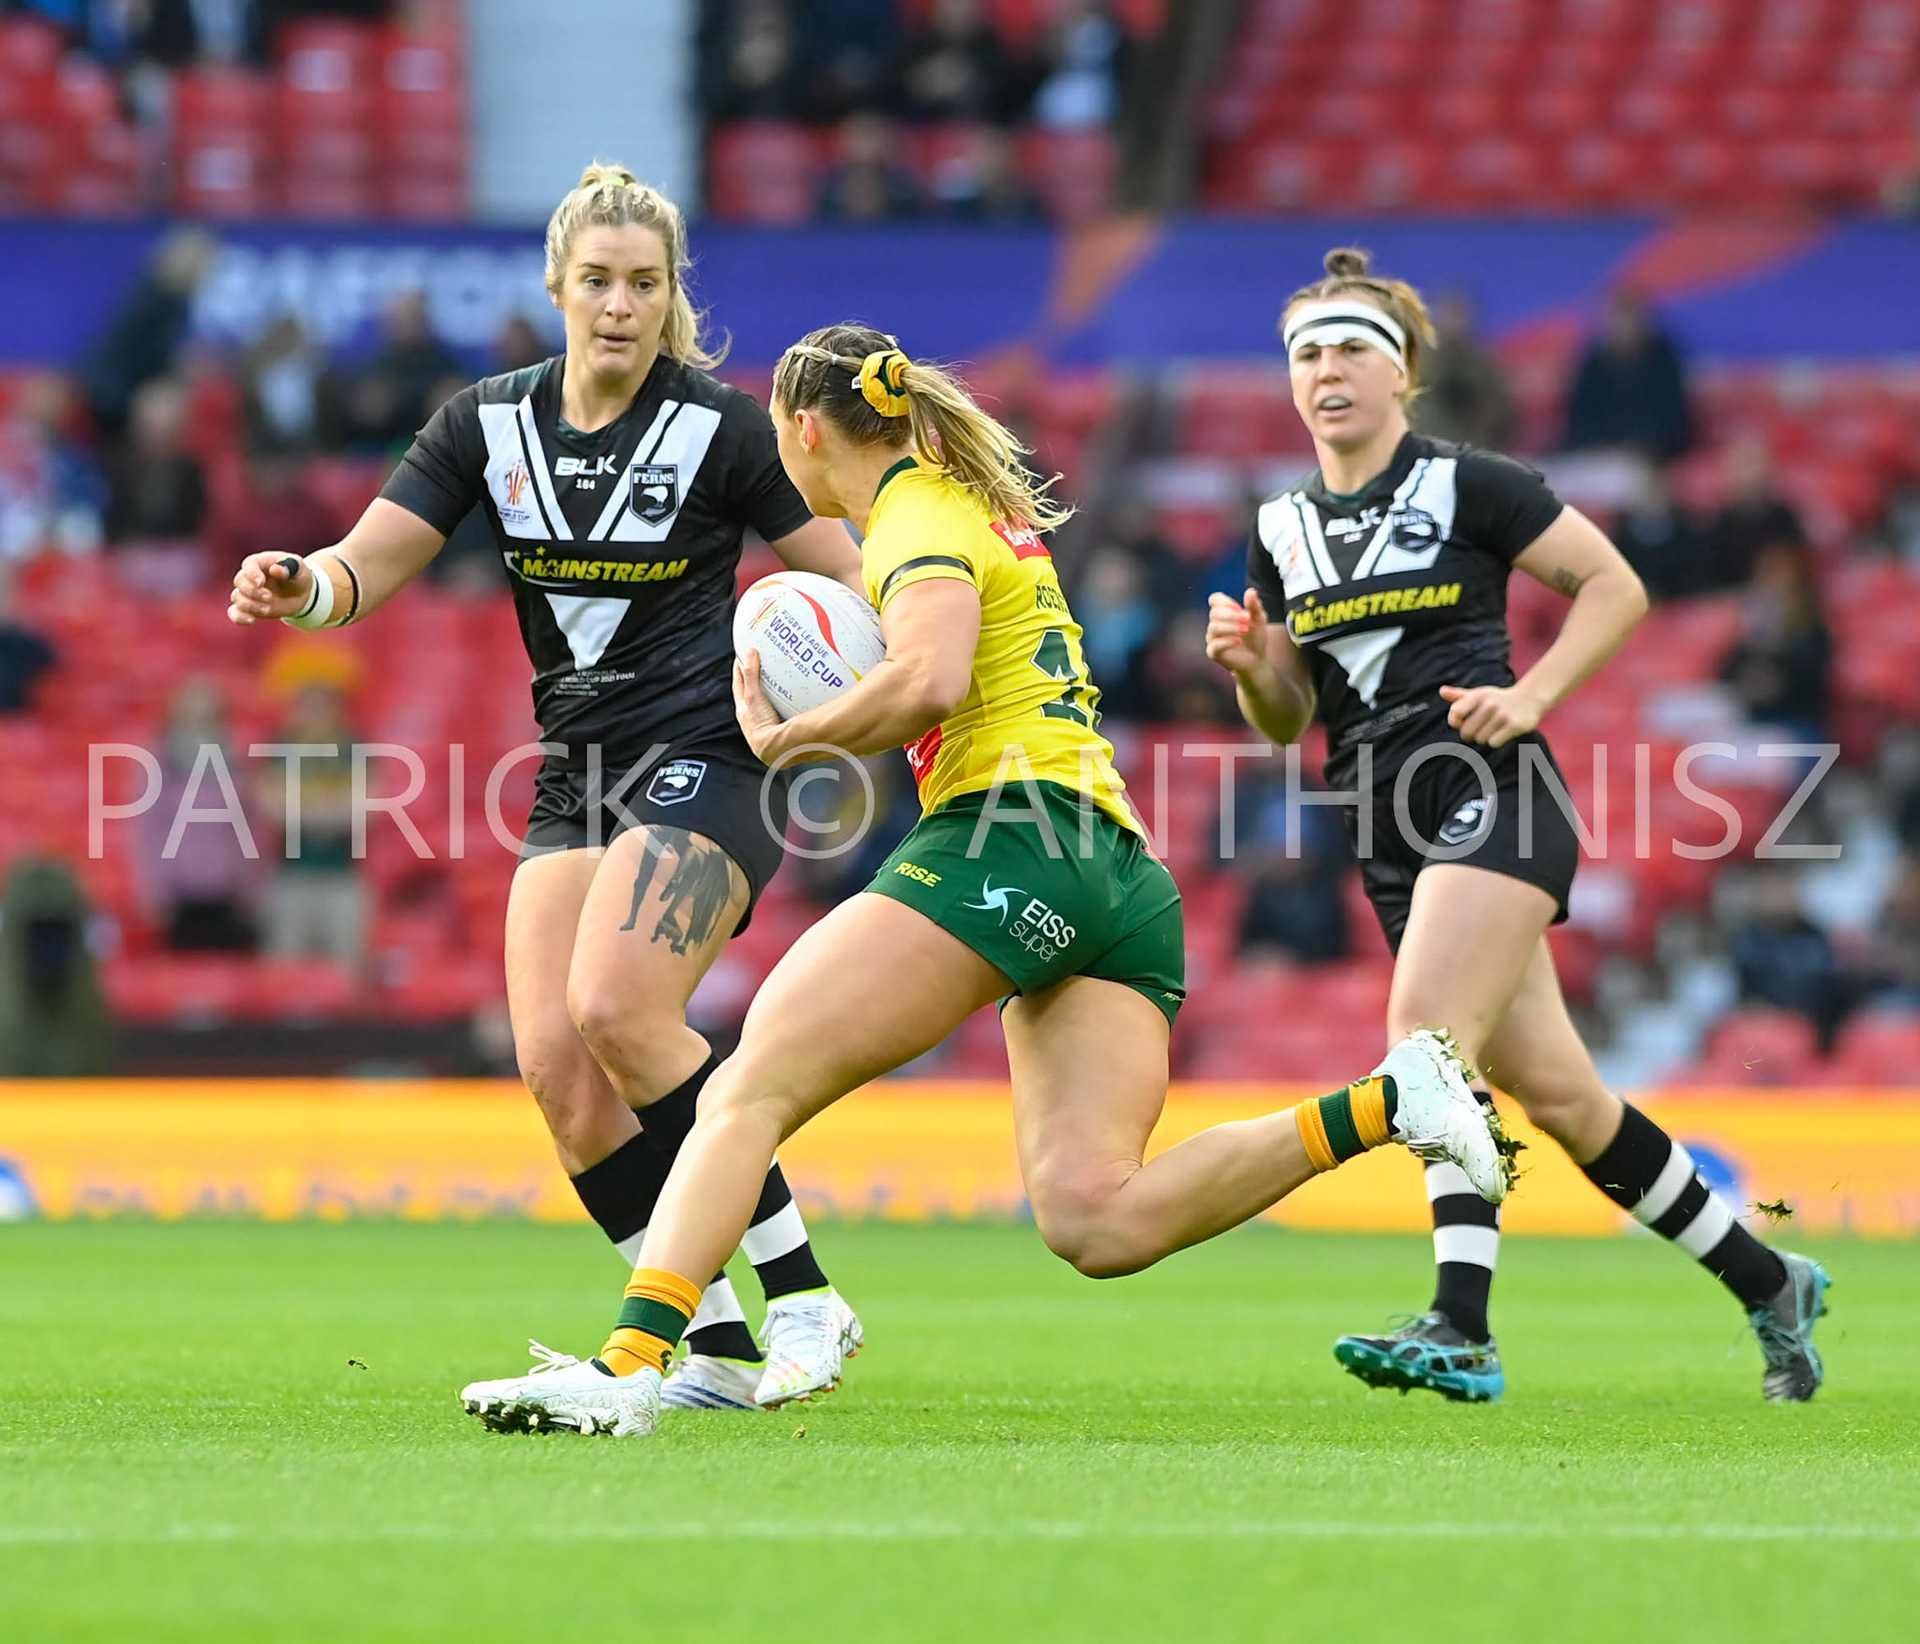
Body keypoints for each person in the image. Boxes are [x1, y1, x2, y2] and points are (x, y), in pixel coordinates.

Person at [452, 324, 1509, 1439]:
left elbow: (929, 678)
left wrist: (791, 737)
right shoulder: (956, 508)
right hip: (1115, 871)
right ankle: (1395, 1101)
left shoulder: (915, 518)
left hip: (1011, 835)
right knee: (1098, 1220)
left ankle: (640, 1364)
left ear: (806, 430)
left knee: (745, 1087)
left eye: (777, 433)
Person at [227, 163, 868, 1412]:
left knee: (622, 1011)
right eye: (597, 282)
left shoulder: (726, 430)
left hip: (707, 757)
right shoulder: (484, 422)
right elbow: (363, 566)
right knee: (558, 1073)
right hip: (574, 770)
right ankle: (722, 1351)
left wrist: (860, 660)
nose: (620, 304)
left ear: (672, 293)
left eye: (644, 283)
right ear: (556, 288)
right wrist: (300, 583)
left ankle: (807, 1300)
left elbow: (854, 582)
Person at [1207, 247, 1828, 1405]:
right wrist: (1252, 671)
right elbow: (1288, 716)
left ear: (1401, 376)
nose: (1327, 370)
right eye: (1307, 354)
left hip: (1492, 789)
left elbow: (1616, 587)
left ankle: (1461, 1324)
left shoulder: (1470, 482)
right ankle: (1769, 1279)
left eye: (1351, 348)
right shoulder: (1277, 526)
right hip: (1381, 823)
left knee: (1424, 1041)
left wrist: (1534, 698)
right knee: (1568, 1103)